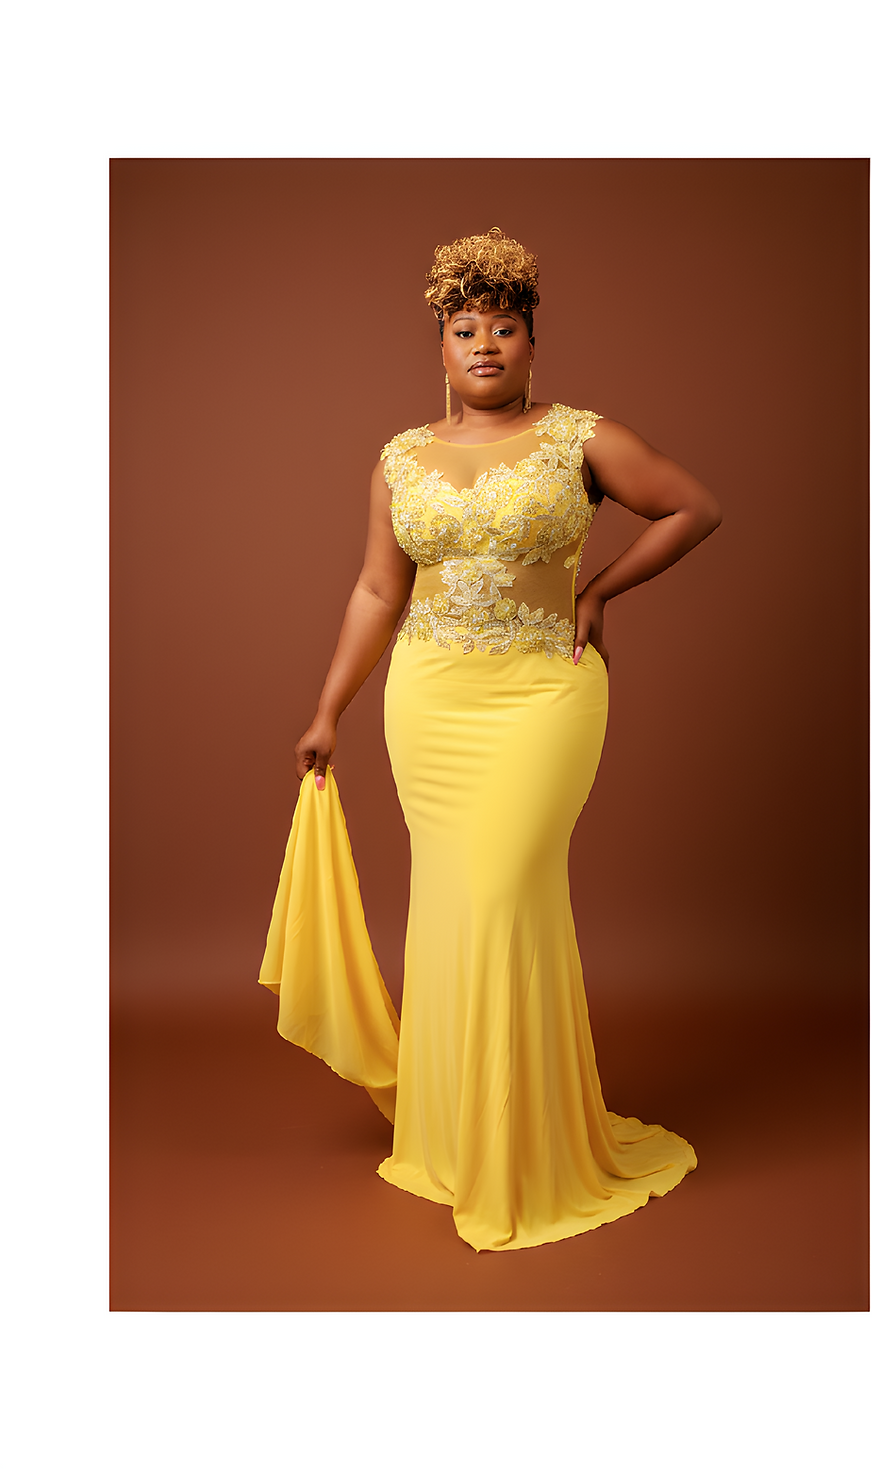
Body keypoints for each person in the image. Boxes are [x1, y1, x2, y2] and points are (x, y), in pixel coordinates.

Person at [260, 227, 722, 1252]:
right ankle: (455, 1133)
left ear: (530, 345)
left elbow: (693, 507)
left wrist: (598, 591)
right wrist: (329, 708)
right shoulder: (399, 458)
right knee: (449, 904)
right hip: (428, 700)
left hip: (540, 696)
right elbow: (377, 589)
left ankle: (521, 1144)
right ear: (440, 347)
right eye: (465, 328)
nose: (484, 344)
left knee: (507, 892)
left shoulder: (580, 437)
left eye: (503, 328)